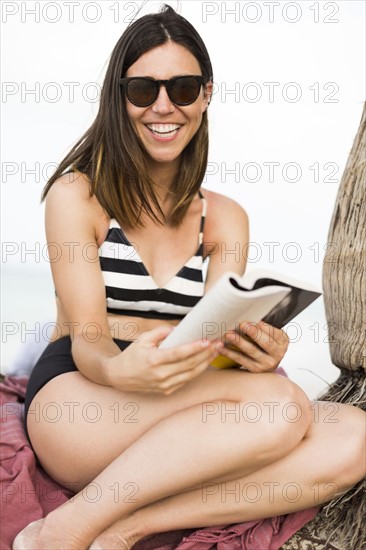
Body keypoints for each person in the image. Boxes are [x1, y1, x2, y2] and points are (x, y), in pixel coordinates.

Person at [13, 5, 365, 549]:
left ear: (205, 94)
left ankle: (126, 527)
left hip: (185, 392)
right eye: (142, 90)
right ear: (118, 95)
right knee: (282, 407)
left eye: (181, 87)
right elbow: (87, 338)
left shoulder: (225, 218)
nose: (163, 106)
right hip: (84, 394)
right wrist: (126, 372)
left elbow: (213, 339)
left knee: (356, 436)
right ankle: (62, 532)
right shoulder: (77, 196)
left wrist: (256, 352)